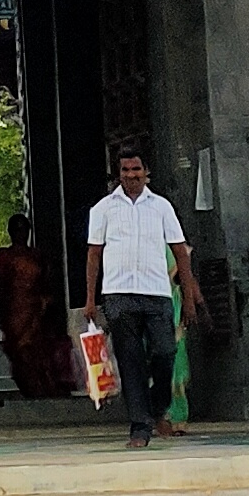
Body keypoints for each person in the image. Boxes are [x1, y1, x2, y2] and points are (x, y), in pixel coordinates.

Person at [82, 143, 198, 449]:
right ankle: (140, 427)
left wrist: (188, 298)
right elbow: (94, 255)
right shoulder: (103, 209)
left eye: (136, 169)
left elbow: (180, 253)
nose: (131, 175)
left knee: (165, 352)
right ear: (118, 173)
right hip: (119, 296)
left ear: (146, 172)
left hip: (156, 293)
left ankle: (158, 406)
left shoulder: (162, 207)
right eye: (125, 170)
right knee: (130, 361)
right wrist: (91, 299)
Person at [0, 214, 70, 401]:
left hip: (36, 315)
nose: (21, 234)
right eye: (18, 230)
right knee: (20, 354)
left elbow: (49, 286)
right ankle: (33, 391)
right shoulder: (4, 258)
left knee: (37, 354)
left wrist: (48, 307)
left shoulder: (36, 257)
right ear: (11, 233)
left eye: (24, 230)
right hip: (13, 315)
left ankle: (42, 390)